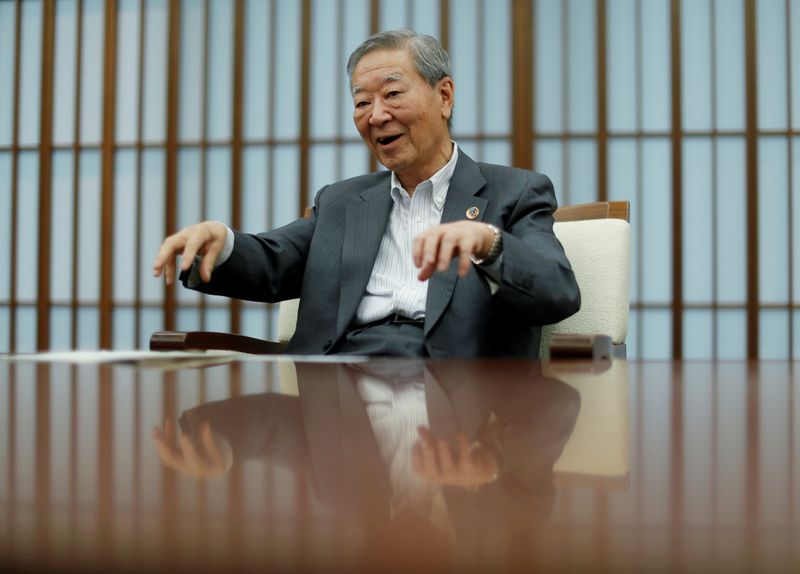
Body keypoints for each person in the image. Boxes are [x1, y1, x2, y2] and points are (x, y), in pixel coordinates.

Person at [152, 28, 579, 357]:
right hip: (335, 400)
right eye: (361, 102)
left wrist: (490, 244)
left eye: (392, 93)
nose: (377, 116)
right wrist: (222, 242)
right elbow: (274, 262)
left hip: (453, 409)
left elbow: (556, 290)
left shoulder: (516, 191)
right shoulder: (340, 201)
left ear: (444, 96)